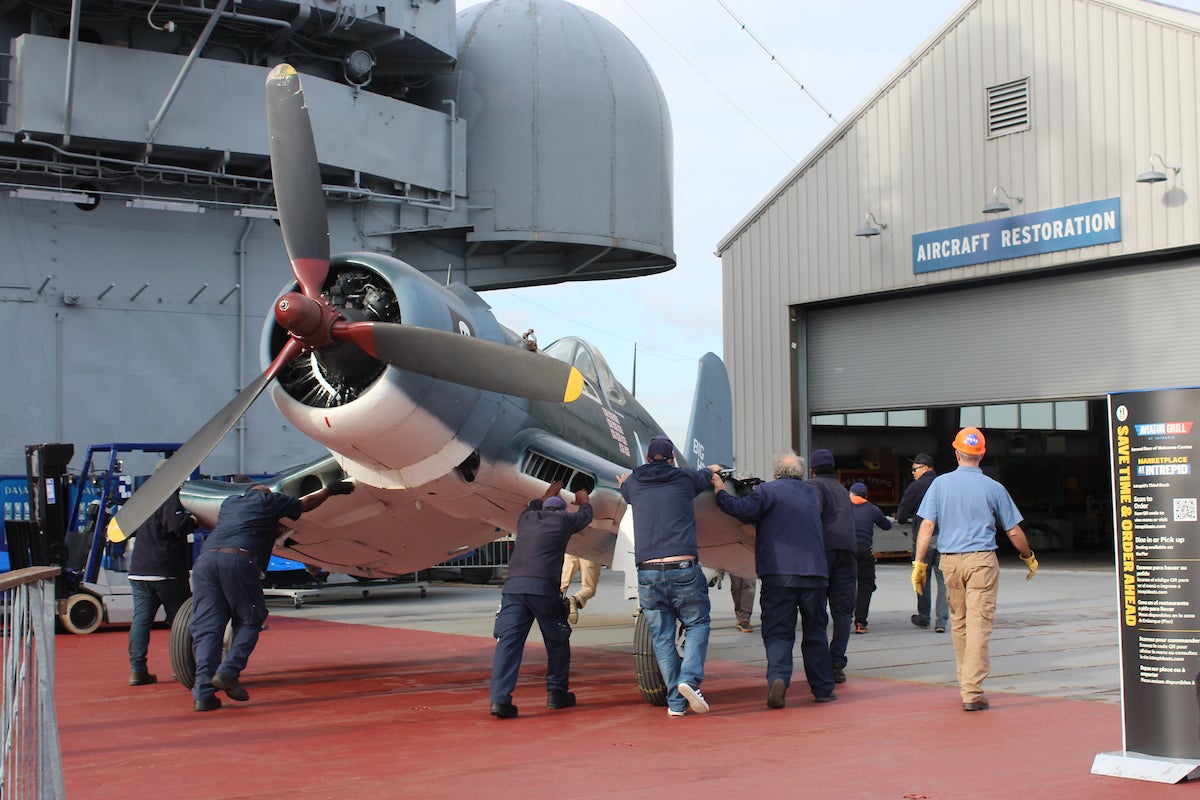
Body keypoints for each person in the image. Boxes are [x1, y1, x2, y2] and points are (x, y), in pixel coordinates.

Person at [189, 479, 352, 712]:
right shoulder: (268, 499)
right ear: (264, 493)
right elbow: (304, 504)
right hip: (238, 559)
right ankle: (228, 671)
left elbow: (258, 526)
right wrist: (329, 491)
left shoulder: (230, 503)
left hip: (206, 561)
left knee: (208, 627)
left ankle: (203, 694)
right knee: (249, 619)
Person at [913, 427, 1039, 712]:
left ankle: (965, 682)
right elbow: (1013, 531)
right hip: (981, 561)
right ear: (982, 455)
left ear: (957, 452)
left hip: (950, 562)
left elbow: (927, 526)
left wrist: (919, 563)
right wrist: (1028, 556)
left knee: (959, 622)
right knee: (979, 624)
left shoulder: (940, 485)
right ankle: (972, 690)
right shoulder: (994, 488)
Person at [712, 451, 837, 707]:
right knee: (815, 632)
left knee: (779, 631)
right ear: (800, 473)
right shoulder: (812, 494)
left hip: (780, 572)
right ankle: (823, 688)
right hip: (815, 573)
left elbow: (741, 510)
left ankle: (779, 677)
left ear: (777, 472)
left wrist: (719, 490)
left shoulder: (768, 491)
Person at [618, 434, 720, 717]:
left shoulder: (635, 482)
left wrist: (625, 483)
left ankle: (676, 704)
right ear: (673, 458)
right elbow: (705, 475)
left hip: (648, 571)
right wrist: (713, 470)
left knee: (662, 637)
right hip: (683, 568)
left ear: (648, 458)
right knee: (697, 623)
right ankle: (689, 679)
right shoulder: (685, 479)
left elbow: (625, 491)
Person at [490, 482, 593, 719]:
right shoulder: (563, 521)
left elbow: (534, 504)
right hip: (543, 589)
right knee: (557, 639)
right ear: (561, 511)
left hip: (514, 589)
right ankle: (556, 693)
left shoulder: (526, 519)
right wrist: (584, 498)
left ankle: (499, 701)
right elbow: (586, 516)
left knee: (508, 643)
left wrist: (548, 493)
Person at [125, 470, 196, 687]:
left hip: (138, 569)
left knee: (141, 621)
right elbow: (176, 526)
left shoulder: (143, 497)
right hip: (166, 571)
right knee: (180, 621)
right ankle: (181, 667)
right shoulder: (169, 496)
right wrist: (194, 519)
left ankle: (137, 670)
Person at [805, 448, 856, 684]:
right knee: (843, 611)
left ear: (813, 470)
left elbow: (811, 515)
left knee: (816, 609)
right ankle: (837, 662)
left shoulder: (815, 487)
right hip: (848, 552)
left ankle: (821, 663)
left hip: (824, 552)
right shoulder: (841, 489)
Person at [897, 453, 947, 632]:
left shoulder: (916, 486)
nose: (912, 473)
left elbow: (902, 515)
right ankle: (941, 621)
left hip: (924, 538)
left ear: (925, 468)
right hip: (945, 539)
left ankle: (924, 617)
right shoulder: (945, 484)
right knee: (943, 581)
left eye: (914, 469)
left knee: (922, 577)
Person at [849, 482, 891, 634]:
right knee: (865, 586)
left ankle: (844, 617)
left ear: (851, 494)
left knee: (846, 584)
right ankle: (860, 622)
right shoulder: (872, 509)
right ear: (866, 496)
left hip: (847, 549)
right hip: (865, 550)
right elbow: (886, 525)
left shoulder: (843, 508)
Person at [560, 554, 601, 624]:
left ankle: (551, 609)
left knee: (562, 585)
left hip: (572, 549)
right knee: (589, 588)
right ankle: (575, 599)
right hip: (590, 551)